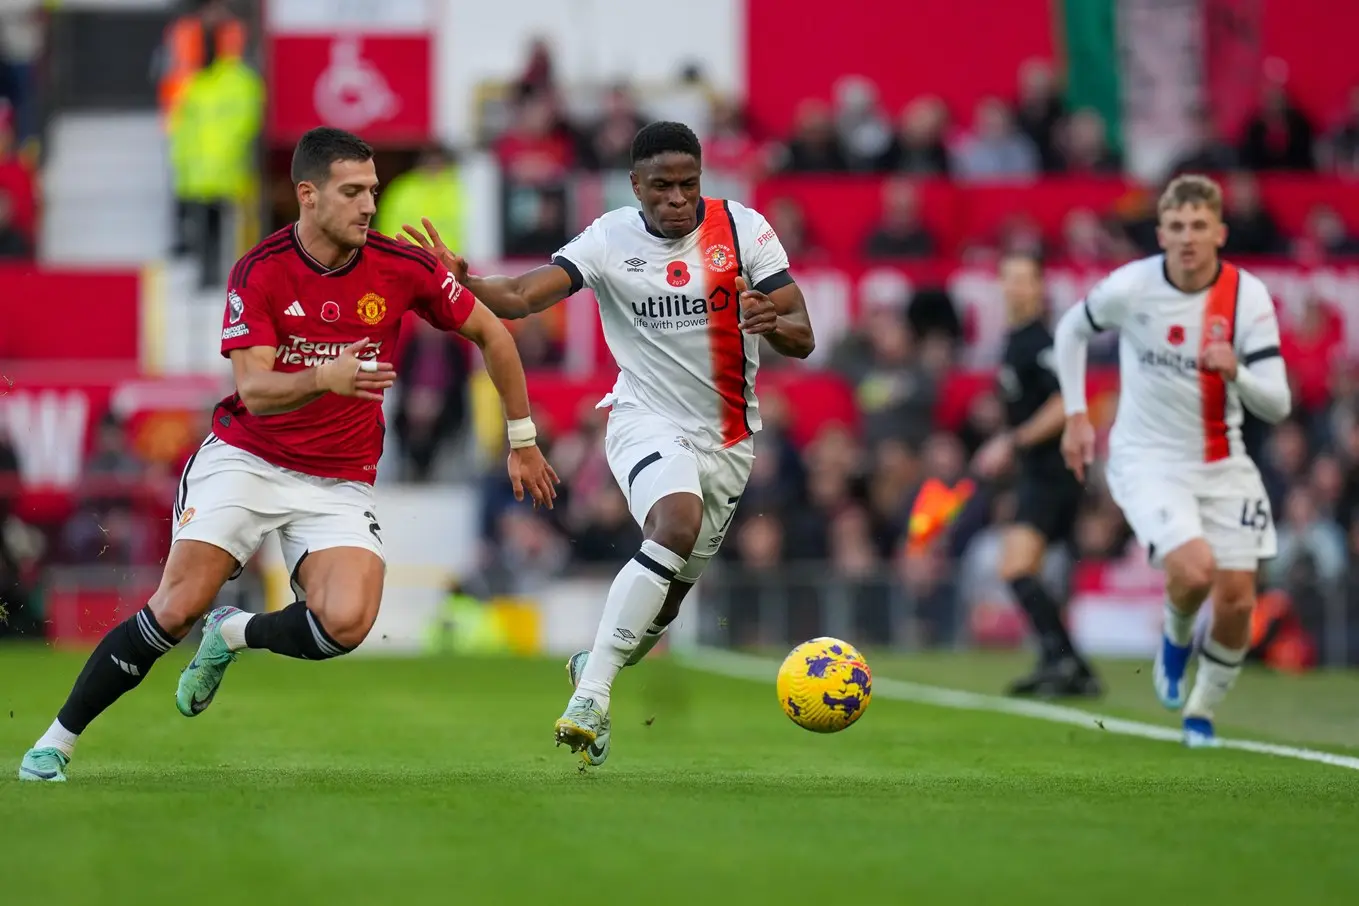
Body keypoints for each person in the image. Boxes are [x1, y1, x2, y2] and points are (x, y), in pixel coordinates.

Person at [18, 126, 558, 783]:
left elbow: (492, 334)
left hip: (338, 482)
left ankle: (234, 634)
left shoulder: (400, 267)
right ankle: (57, 740)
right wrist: (322, 378)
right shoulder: (262, 270)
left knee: (347, 624)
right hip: (247, 460)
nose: (368, 205)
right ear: (308, 195)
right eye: (353, 192)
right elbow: (254, 389)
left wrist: (522, 439)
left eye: (373, 192)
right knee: (176, 605)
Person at [402, 121, 815, 767]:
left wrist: (774, 323)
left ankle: (589, 665)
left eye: (688, 184)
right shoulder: (606, 238)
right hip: (644, 417)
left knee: (668, 600)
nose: (677, 199)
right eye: (661, 187)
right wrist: (465, 282)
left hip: (729, 439)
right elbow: (518, 297)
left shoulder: (744, 228)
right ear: (635, 186)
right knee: (673, 525)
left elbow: (801, 333)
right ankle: (591, 697)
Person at [1052, 174, 1291, 748]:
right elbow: (1071, 330)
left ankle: (1201, 714)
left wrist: (1237, 371)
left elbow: (1279, 404)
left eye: (1199, 226)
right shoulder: (1132, 286)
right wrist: (1077, 414)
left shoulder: (1247, 297)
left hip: (1223, 459)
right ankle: (1175, 639)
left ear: (1220, 232)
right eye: (1177, 226)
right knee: (1194, 568)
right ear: (1161, 232)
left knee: (1237, 600)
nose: (1187, 237)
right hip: (1146, 459)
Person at [971, 251, 1100, 698]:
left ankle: (1062, 660)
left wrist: (1013, 441)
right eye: (1009, 277)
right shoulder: (1016, 339)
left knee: (1017, 565)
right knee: (1030, 571)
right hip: (1038, 472)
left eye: (1025, 279)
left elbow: (1066, 403)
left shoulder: (1040, 339)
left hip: (1052, 472)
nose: (1015, 287)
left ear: (1040, 287)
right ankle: (1067, 663)